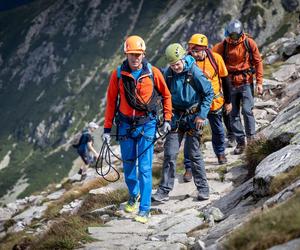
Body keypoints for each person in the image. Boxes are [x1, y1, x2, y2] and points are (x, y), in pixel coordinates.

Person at [102, 35, 172, 223]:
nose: (135, 58)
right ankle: (134, 195)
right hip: (125, 125)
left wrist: (167, 118)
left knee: (145, 168)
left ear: (143, 54)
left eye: (138, 54)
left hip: (146, 124)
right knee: (129, 166)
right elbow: (111, 102)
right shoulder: (118, 75)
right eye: (132, 54)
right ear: (126, 54)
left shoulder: (153, 72)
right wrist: (107, 129)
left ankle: (145, 209)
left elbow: (166, 95)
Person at [152, 43, 214, 202]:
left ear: (183, 59)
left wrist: (202, 115)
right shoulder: (168, 74)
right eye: (173, 65)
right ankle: (164, 190)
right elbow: (163, 95)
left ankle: (203, 188)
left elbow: (208, 93)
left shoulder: (194, 72)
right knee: (170, 154)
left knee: (194, 153)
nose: (176, 67)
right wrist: (163, 116)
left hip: (194, 118)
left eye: (178, 64)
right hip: (176, 118)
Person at [182, 33, 232, 182]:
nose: (194, 53)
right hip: (195, 106)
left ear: (204, 48)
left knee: (218, 129)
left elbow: (225, 80)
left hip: (215, 102)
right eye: (192, 50)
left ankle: (220, 153)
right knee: (192, 135)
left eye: (197, 50)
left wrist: (228, 101)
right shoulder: (188, 61)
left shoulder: (216, 59)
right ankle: (189, 167)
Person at [213, 19, 263, 154]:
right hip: (229, 84)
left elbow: (258, 62)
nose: (233, 39)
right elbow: (211, 58)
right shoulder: (221, 46)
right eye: (231, 35)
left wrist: (259, 82)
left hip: (246, 81)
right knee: (233, 114)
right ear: (227, 34)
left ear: (241, 33)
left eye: (236, 36)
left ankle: (251, 140)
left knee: (247, 110)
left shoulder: (249, 43)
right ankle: (241, 142)